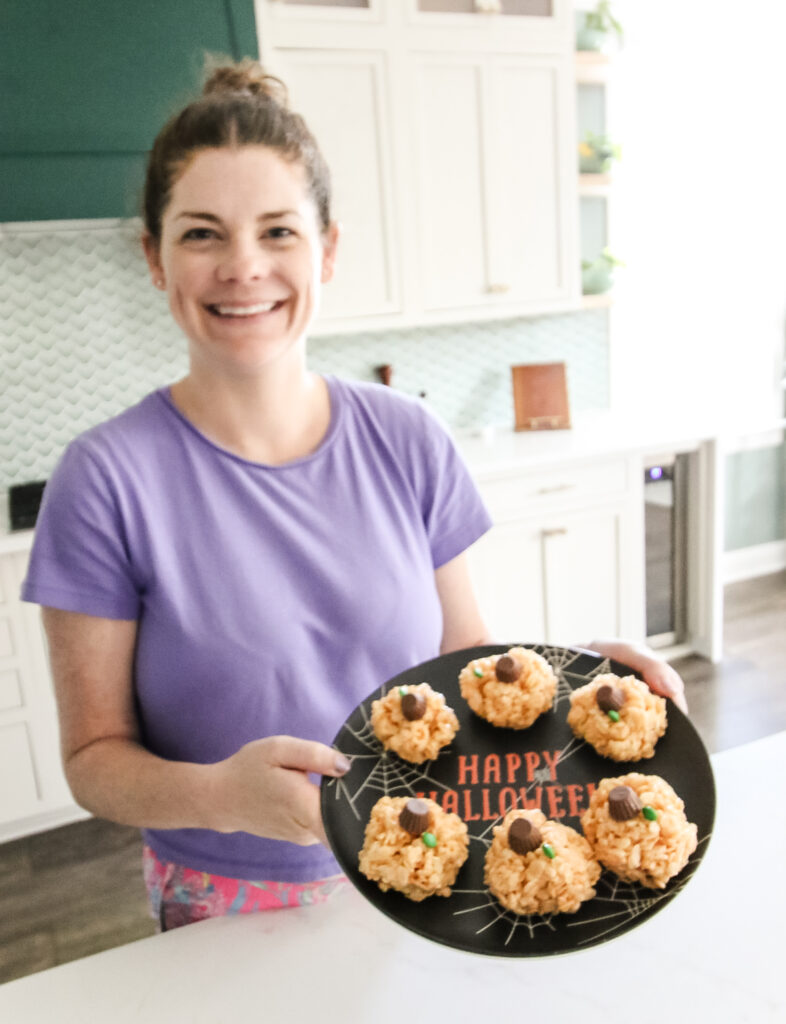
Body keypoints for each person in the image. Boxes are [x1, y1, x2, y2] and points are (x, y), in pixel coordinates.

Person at [21, 59, 686, 931]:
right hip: (230, 902)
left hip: (438, 867)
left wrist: (586, 696)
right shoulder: (105, 480)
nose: (243, 267)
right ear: (154, 257)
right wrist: (226, 797)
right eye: (201, 234)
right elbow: (94, 759)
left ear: (327, 247)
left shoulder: (406, 438)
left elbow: (467, 657)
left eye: (278, 232)